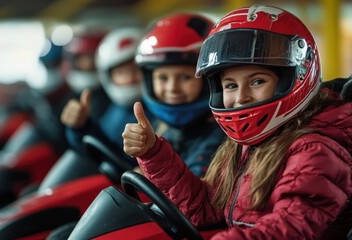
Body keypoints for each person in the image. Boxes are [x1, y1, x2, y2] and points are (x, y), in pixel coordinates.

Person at [123, 5, 352, 239]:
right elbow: (205, 209)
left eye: (257, 82)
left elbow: (291, 229)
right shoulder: (245, 147)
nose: (241, 97)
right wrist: (153, 153)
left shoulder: (315, 151)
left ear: (294, 78)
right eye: (231, 85)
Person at [123, 12, 226, 177]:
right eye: (163, 78)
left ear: (209, 79)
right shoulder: (161, 126)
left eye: (185, 77)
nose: (172, 88)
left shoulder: (221, 137)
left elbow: (194, 193)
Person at [60, 27, 143, 163]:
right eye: (121, 73)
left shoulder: (161, 113)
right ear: (108, 77)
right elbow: (96, 148)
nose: (130, 78)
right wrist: (80, 127)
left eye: (136, 69)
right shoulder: (114, 112)